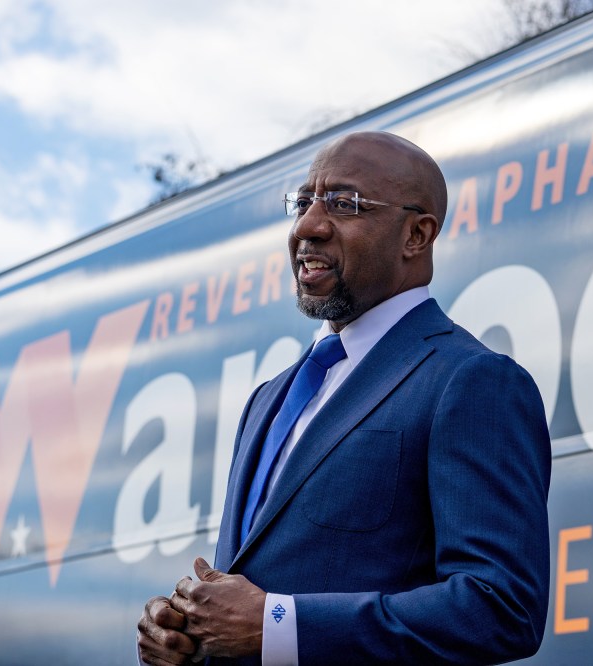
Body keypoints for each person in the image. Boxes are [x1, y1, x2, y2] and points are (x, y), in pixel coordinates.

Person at [137, 131, 552, 665]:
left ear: (416, 235)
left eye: (344, 203)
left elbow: (502, 607)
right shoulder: (268, 399)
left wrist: (278, 624)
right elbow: (252, 602)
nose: (307, 226)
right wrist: (188, 636)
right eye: (304, 201)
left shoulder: (471, 380)